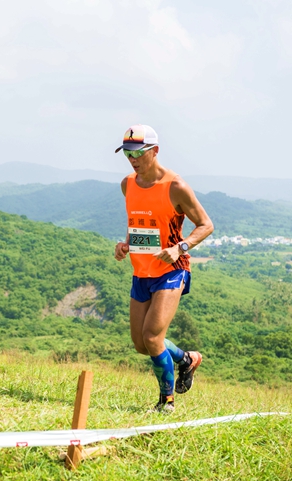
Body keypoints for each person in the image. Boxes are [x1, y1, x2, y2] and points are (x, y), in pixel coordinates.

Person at [113, 124, 214, 412]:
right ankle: (186, 359)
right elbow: (139, 223)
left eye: (139, 153)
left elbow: (206, 225)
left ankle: (166, 403)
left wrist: (180, 247)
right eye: (128, 154)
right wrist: (126, 245)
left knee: (153, 337)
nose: (133, 160)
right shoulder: (127, 184)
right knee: (141, 344)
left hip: (173, 269)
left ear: (155, 151)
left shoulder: (175, 186)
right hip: (141, 272)